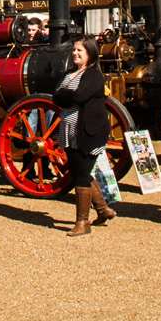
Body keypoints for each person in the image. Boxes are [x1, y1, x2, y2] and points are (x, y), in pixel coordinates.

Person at [56, 37, 115, 235]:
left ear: (90, 54)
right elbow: (56, 97)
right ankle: (102, 209)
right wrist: (66, 96)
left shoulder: (94, 76)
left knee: (81, 174)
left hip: (89, 132)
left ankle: (82, 223)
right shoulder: (69, 74)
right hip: (69, 131)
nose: (75, 53)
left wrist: (66, 95)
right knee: (78, 171)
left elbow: (79, 96)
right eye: (74, 50)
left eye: (79, 51)